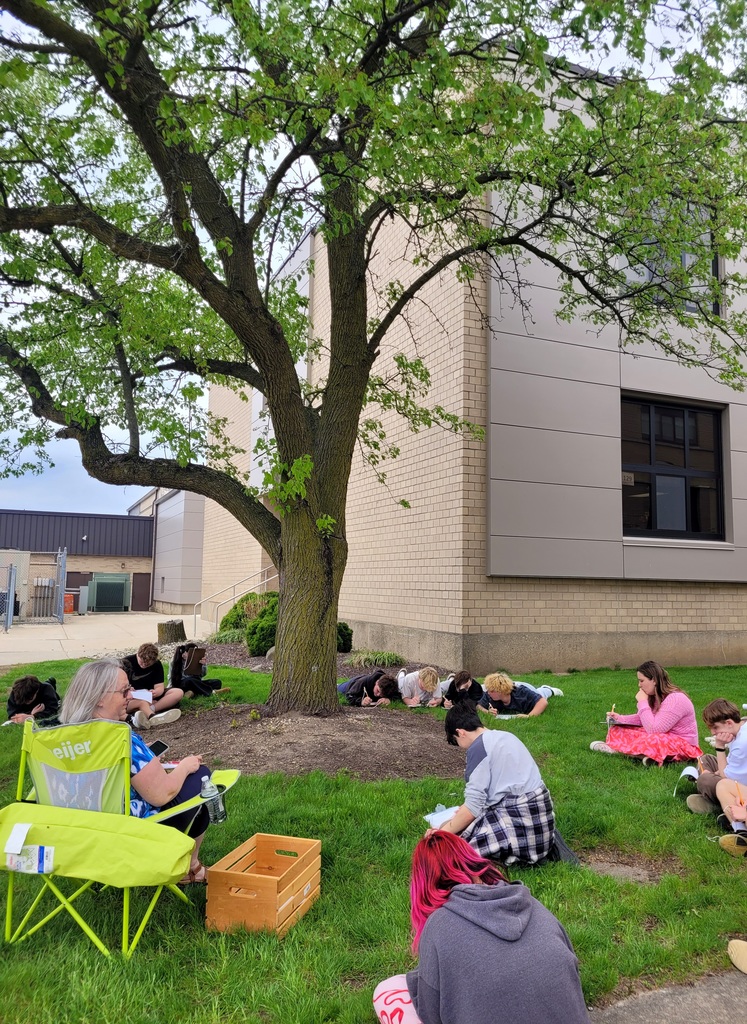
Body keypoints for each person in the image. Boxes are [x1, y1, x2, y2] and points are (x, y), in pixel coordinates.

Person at [373, 831, 590, 1024]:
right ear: (473, 862)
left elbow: (430, 1014)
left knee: (386, 991)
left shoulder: (438, 926)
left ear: (423, 885)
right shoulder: (534, 905)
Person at [60, 659, 213, 883]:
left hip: (79, 834)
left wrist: (144, 760)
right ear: (100, 699)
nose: (131, 696)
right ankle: (190, 867)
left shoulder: (60, 741)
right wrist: (185, 767)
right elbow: (162, 795)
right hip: (128, 834)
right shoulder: (120, 739)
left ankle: (190, 866)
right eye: (124, 691)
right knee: (200, 777)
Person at [436, 702, 555, 865]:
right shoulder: (506, 735)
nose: (461, 748)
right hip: (542, 828)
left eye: (456, 741)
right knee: (464, 826)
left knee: (457, 850)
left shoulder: (478, 749)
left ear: (460, 732)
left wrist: (441, 832)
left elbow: (472, 808)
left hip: (526, 835)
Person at [590, 660, 701, 765]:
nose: (639, 685)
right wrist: (619, 719)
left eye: (642, 681)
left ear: (654, 680)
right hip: (664, 736)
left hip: (684, 745)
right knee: (618, 729)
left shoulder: (676, 699)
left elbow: (654, 729)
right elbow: (643, 719)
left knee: (652, 739)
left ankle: (618, 751)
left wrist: (643, 702)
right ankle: (647, 757)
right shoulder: (655, 697)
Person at [687, 699, 747, 858]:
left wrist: (720, 747)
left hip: (739, 785)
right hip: (739, 779)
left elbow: (726, 777)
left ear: (728, 723)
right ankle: (720, 803)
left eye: (715, 727)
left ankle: (740, 832)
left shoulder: (742, 742)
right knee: (706, 759)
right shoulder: (741, 727)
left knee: (715, 784)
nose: (713, 733)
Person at [121, 642, 183, 730]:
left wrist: (156, 692)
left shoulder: (157, 665)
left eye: (148, 664)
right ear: (138, 655)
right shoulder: (126, 663)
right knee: (140, 702)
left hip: (149, 696)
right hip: (131, 697)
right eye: (142, 662)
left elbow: (159, 686)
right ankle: (152, 715)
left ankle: (150, 709)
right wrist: (128, 689)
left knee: (178, 692)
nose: (144, 665)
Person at [478, 672, 549, 717]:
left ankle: (547, 688)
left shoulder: (522, 693)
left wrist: (529, 716)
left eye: (492, 691)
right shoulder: (489, 695)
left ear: (500, 691)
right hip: (510, 685)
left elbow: (542, 702)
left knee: (541, 693)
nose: (489, 693)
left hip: (526, 686)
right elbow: (478, 706)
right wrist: (488, 712)